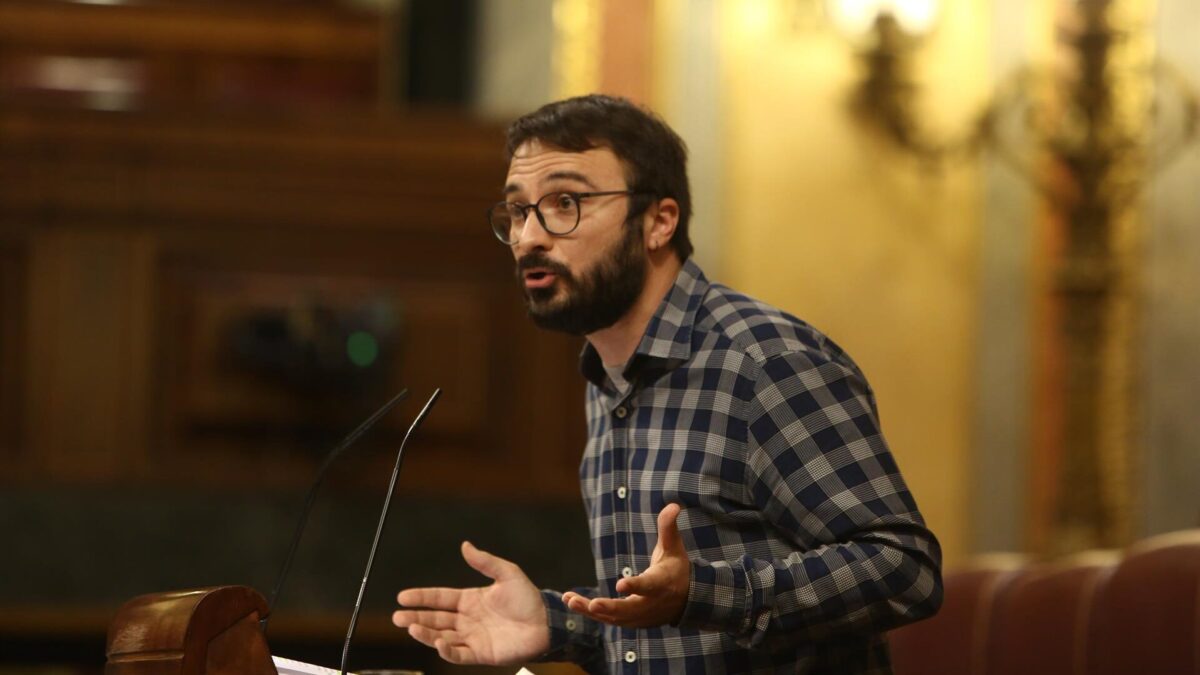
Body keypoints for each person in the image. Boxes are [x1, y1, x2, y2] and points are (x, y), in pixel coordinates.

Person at [392, 94, 942, 674]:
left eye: (565, 203)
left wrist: (704, 593)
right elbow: (661, 632)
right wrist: (558, 624)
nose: (529, 237)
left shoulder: (761, 362)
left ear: (659, 222)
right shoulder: (605, 380)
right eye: (518, 212)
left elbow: (904, 569)